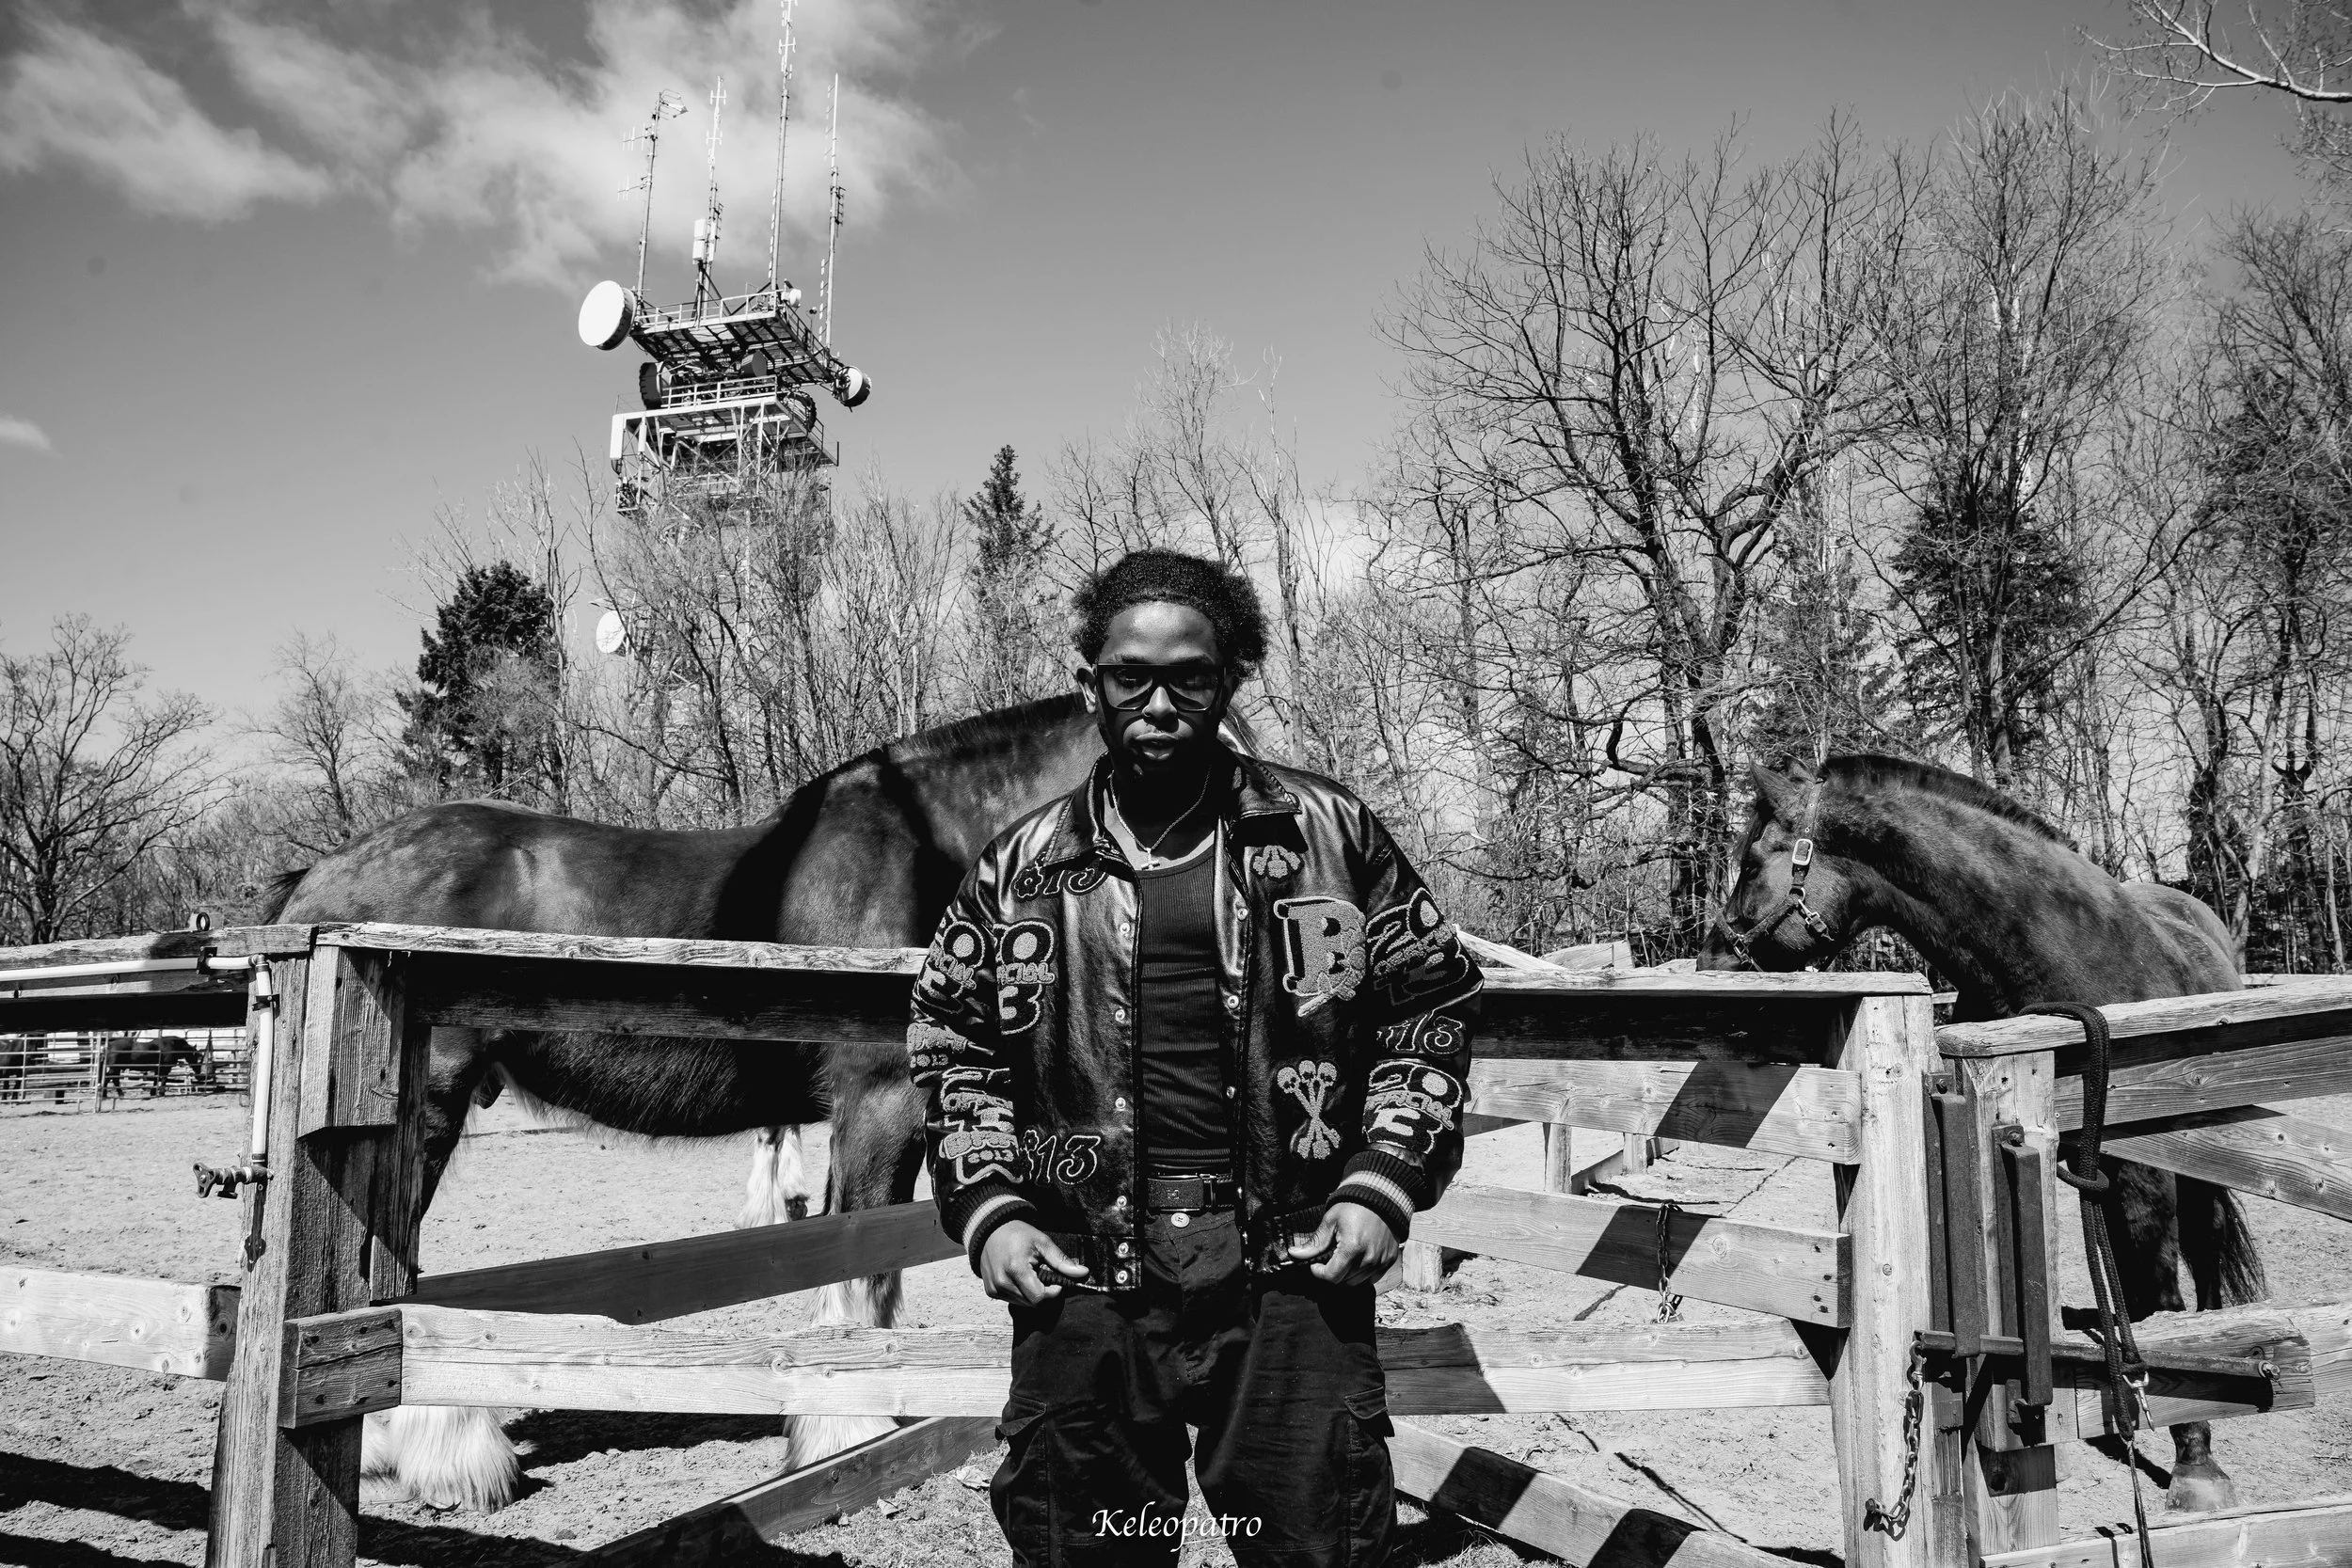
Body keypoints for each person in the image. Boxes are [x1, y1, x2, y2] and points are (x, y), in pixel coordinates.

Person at [907, 547, 1484, 1566]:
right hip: (1080, 1275)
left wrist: (1382, 1178)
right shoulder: (1017, 869)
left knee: (1315, 1548)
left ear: (1231, 679)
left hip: (1291, 1270)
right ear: (1091, 682)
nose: (1159, 702)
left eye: (1190, 676)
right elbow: (953, 1045)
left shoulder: (1328, 835)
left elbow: (1428, 1005)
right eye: (1132, 675)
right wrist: (988, 1207)